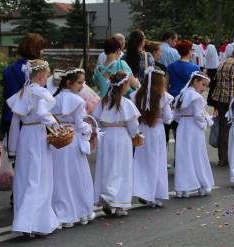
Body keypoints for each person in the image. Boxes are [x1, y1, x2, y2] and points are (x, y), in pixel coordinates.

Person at [6, 59, 61, 237]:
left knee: (26, 177)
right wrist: (56, 126)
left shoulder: (22, 93)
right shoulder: (40, 93)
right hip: (38, 136)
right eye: (46, 76)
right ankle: (34, 223)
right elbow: (43, 113)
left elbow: (14, 123)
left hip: (25, 137)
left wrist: (12, 149)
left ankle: (27, 222)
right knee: (40, 177)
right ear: (40, 76)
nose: (47, 79)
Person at [50, 68, 95, 228]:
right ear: (69, 83)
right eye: (79, 82)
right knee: (76, 176)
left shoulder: (53, 98)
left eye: (83, 82)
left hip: (57, 141)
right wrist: (90, 130)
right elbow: (80, 123)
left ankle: (61, 212)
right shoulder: (77, 100)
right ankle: (80, 211)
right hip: (72, 139)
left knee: (60, 177)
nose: (82, 86)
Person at [93, 71, 141, 217]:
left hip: (106, 137)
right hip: (121, 137)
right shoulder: (126, 104)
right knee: (121, 168)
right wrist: (137, 135)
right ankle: (118, 203)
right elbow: (133, 125)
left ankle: (107, 195)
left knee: (107, 166)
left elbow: (96, 121)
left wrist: (99, 135)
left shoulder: (103, 102)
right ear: (124, 85)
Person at [132, 68, 173, 207]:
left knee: (142, 162)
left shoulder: (136, 94)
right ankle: (152, 195)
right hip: (156, 131)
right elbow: (168, 119)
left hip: (141, 130)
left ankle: (143, 191)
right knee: (156, 162)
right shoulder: (164, 97)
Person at [0, 33, 46, 147]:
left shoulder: (8, 70)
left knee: (18, 160)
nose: (43, 52)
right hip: (34, 122)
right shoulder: (39, 70)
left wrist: (2, 128)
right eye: (41, 49)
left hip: (11, 119)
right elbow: (43, 99)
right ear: (36, 49)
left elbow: (6, 99)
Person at [173, 71, 214, 198]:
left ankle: (182, 188)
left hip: (183, 127)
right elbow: (198, 115)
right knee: (197, 155)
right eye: (203, 85)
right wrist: (205, 124)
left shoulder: (182, 94)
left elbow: (176, 115)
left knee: (184, 155)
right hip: (194, 128)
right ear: (195, 81)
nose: (203, 88)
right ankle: (202, 184)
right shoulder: (196, 97)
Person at [165, 40, 200, 144]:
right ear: (189, 51)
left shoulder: (170, 66)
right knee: (184, 131)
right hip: (188, 100)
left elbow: (166, 85)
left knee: (173, 125)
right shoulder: (195, 67)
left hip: (173, 98)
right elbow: (197, 88)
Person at [204, 37, 220, 102]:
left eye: (207, 40)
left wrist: (204, 55)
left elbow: (208, 55)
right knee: (212, 83)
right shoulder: (212, 46)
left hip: (212, 67)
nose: (206, 41)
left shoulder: (210, 46)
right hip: (213, 66)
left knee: (212, 83)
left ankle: (211, 98)